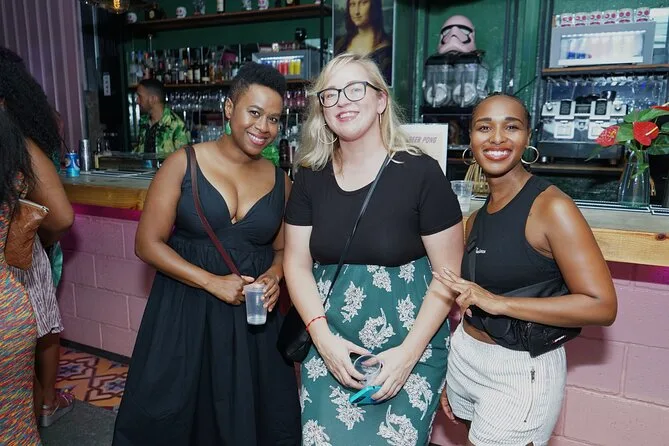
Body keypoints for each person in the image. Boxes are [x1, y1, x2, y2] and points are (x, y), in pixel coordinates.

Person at [113, 62, 301, 446]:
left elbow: (283, 249)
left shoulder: (281, 181)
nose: (264, 127)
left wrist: (274, 276)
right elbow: (147, 243)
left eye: (274, 119)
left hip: (252, 324)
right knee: (178, 412)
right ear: (229, 108)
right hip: (185, 310)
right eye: (254, 112)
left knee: (251, 417)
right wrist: (212, 282)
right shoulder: (183, 163)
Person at [283, 53, 464, 444]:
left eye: (354, 89)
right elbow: (296, 264)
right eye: (330, 94)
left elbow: (448, 276)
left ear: (381, 99)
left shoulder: (420, 173)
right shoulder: (310, 177)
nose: (341, 101)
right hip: (331, 344)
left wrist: (407, 356)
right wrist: (323, 340)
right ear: (321, 109)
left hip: (410, 348)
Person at [434, 93, 618, 446]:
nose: (497, 138)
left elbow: (602, 306)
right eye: (484, 128)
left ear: (528, 137)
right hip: (467, 359)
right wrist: (457, 370)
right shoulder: (477, 217)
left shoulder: (552, 208)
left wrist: (500, 303)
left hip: (518, 372)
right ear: (470, 139)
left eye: (511, 127)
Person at [0, 46, 75, 428]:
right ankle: (44, 403)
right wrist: (40, 241)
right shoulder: (18, 145)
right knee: (43, 329)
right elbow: (62, 216)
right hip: (14, 276)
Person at [334, 0, 392, 84]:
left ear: (374, 5)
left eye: (363, 3)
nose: (356, 12)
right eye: (352, 4)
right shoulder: (341, 44)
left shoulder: (386, 47)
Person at [134, 78, 190, 155]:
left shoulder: (176, 125)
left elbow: (184, 158)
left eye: (140, 96)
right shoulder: (144, 121)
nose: (137, 101)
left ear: (153, 99)